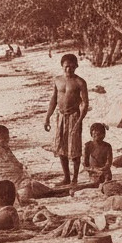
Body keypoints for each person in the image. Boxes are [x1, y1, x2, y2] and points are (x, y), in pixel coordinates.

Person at [44, 53, 89, 184]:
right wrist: (47, 117)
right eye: (66, 66)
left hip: (74, 116)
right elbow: (54, 100)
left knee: (74, 148)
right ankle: (67, 177)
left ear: (76, 66)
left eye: (72, 67)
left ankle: (75, 178)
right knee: (61, 148)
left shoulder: (80, 82)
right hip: (61, 116)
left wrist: (79, 121)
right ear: (62, 66)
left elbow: (85, 103)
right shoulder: (57, 80)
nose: (69, 69)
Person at [0, 124, 56, 201]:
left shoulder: (6, 148)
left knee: (34, 185)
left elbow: (13, 160)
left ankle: (50, 192)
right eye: (2, 138)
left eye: (7, 137)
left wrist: (20, 165)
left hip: (18, 177)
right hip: (9, 179)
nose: (5, 139)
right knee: (27, 187)